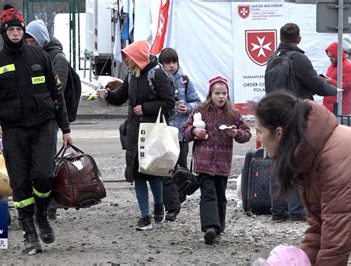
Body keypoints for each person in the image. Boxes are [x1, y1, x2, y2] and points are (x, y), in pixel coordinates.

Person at [0, 4, 73, 255]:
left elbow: (57, 97)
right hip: (14, 131)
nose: (15, 33)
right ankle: (30, 234)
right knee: (20, 183)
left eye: (18, 28)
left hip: (43, 127)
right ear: (4, 32)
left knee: (43, 176)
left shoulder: (40, 57)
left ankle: (42, 215)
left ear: (22, 31)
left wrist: (65, 128)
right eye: (10, 29)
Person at [254, 90, 351, 265]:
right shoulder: (309, 156)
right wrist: (294, 260)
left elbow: (336, 242)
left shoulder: (335, 159)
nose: (258, 138)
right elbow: (321, 227)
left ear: (278, 133)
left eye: (259, 131)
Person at [97, 40, 175, 231]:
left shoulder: (157, 74)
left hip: (152, 133)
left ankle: (158, 206)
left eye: (129, 58)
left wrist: (146, 108)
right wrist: (107, 94)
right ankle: (145, 216)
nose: (126, 62)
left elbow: (168, 103)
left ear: (139, 57)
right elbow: (120, 97)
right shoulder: (131, 75)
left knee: (153, 173)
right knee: (138, 175)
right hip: (134, 132)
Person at [182, 75, 251, 245]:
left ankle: (218, 228)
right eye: (217, 93)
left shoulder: (233, 114)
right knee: (208, 195)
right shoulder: (200, 111)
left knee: (221, 196)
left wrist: (236, 133)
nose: (221, 96)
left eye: (224, 93)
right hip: (203, 163)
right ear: (210, 94)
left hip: (223, 164)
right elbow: (185, 131)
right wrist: (194, 132)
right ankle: (210, 228)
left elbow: (246, 134)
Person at [25, 19, 70, 220]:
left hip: (49, 118)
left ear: (41, 40)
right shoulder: (34, 55)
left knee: (47, 164)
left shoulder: (56, 58)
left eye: (32, 40)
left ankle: (49, 205)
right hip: (33, 117)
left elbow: (56, 93)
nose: (28, 44)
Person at [158, 47, 201, 221]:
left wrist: (188, 107)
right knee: (167, 169)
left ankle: (179, 197)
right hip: (165, 132)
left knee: (181, 168)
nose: (171, 66)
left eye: (174, 62)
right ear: (162, 64)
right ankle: (172, 204)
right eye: (167, 62)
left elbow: (197, 101)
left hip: (182, 133)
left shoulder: (184, 81)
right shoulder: (159, 79)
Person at [265, 23, 337, 99]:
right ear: (299, 39)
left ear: (280, 38)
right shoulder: (298, 58)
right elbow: (314, 84)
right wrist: (334, 90)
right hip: (296, 107)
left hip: (276, 106)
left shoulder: (273, 57)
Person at [322, 42, 351, 115]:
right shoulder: (332, 66)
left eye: (333, 56)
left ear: (337, 54)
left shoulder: (347, 66)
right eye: (329, 57)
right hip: (329, 107)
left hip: (340, 109)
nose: (331, 59)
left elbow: (347, 86)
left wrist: (331, 81)